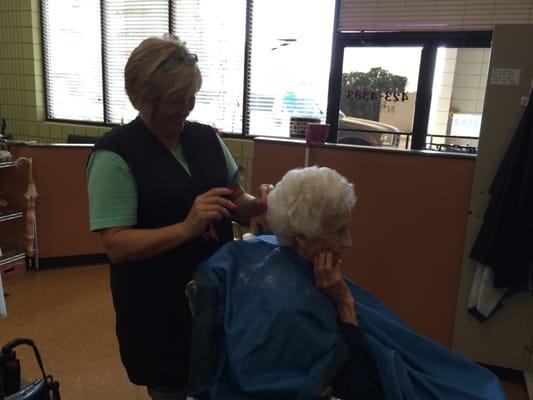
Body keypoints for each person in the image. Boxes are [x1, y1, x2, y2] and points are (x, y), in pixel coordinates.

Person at [187, 166, 506, 400]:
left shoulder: (261, 249)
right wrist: (345, 303)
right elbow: (362, 386)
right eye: (339, 232)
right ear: (302, 238)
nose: (349, 243)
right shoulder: (292, 309)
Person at [86, 34, 272, 400]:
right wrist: (186, 228)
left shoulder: (205, 139)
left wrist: (261, 203)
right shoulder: (115, 154)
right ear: (145, 98)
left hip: (215, 294)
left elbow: (236, 198)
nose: (187, 107)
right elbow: (116, 245)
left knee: (216, 378)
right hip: (157, 308)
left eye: (191, 96)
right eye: (176, 99)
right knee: (171, 384)